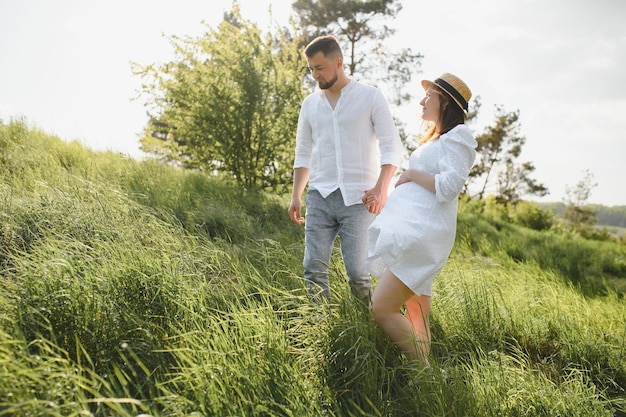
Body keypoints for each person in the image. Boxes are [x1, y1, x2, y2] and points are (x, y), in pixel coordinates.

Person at [365, 73, 477, 364]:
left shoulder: (458, 136)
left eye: (430, 96)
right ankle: (425, 384)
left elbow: (451, 185)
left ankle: (426, 372)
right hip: (416, 228)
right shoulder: (440, 139)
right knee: (417, 311)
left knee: (381, 308)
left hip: (423, 234)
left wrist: (412, 174)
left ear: (446, 101)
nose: (422, 101)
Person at [288, 35, 402, 301]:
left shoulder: (370, 97)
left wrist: (381, 188)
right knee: (313, 268)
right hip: (319, 196)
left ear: (338, 62)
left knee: (358, 272)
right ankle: (321, 325)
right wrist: (296, 195)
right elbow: (303, 152)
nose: (314, 75)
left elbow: (392, 146)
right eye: (311, 69)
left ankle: (368, 325)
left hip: (359, 199)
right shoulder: (310, 105)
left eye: (320, 68)